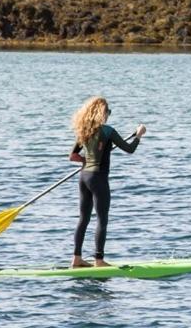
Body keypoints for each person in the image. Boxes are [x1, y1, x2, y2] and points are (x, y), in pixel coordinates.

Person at [69, 96, 146, 268]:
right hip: (98, 179)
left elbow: (73, 156)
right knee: (102, 219)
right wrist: (139, 135)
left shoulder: (84, 132)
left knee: (83, 218)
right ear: (101, 113)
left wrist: (87, 160)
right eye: (108, 112)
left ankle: (76, 258)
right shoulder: (108, 131)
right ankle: (99, 260)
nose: (108, 115)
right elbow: (130, 149)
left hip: (84, 177)